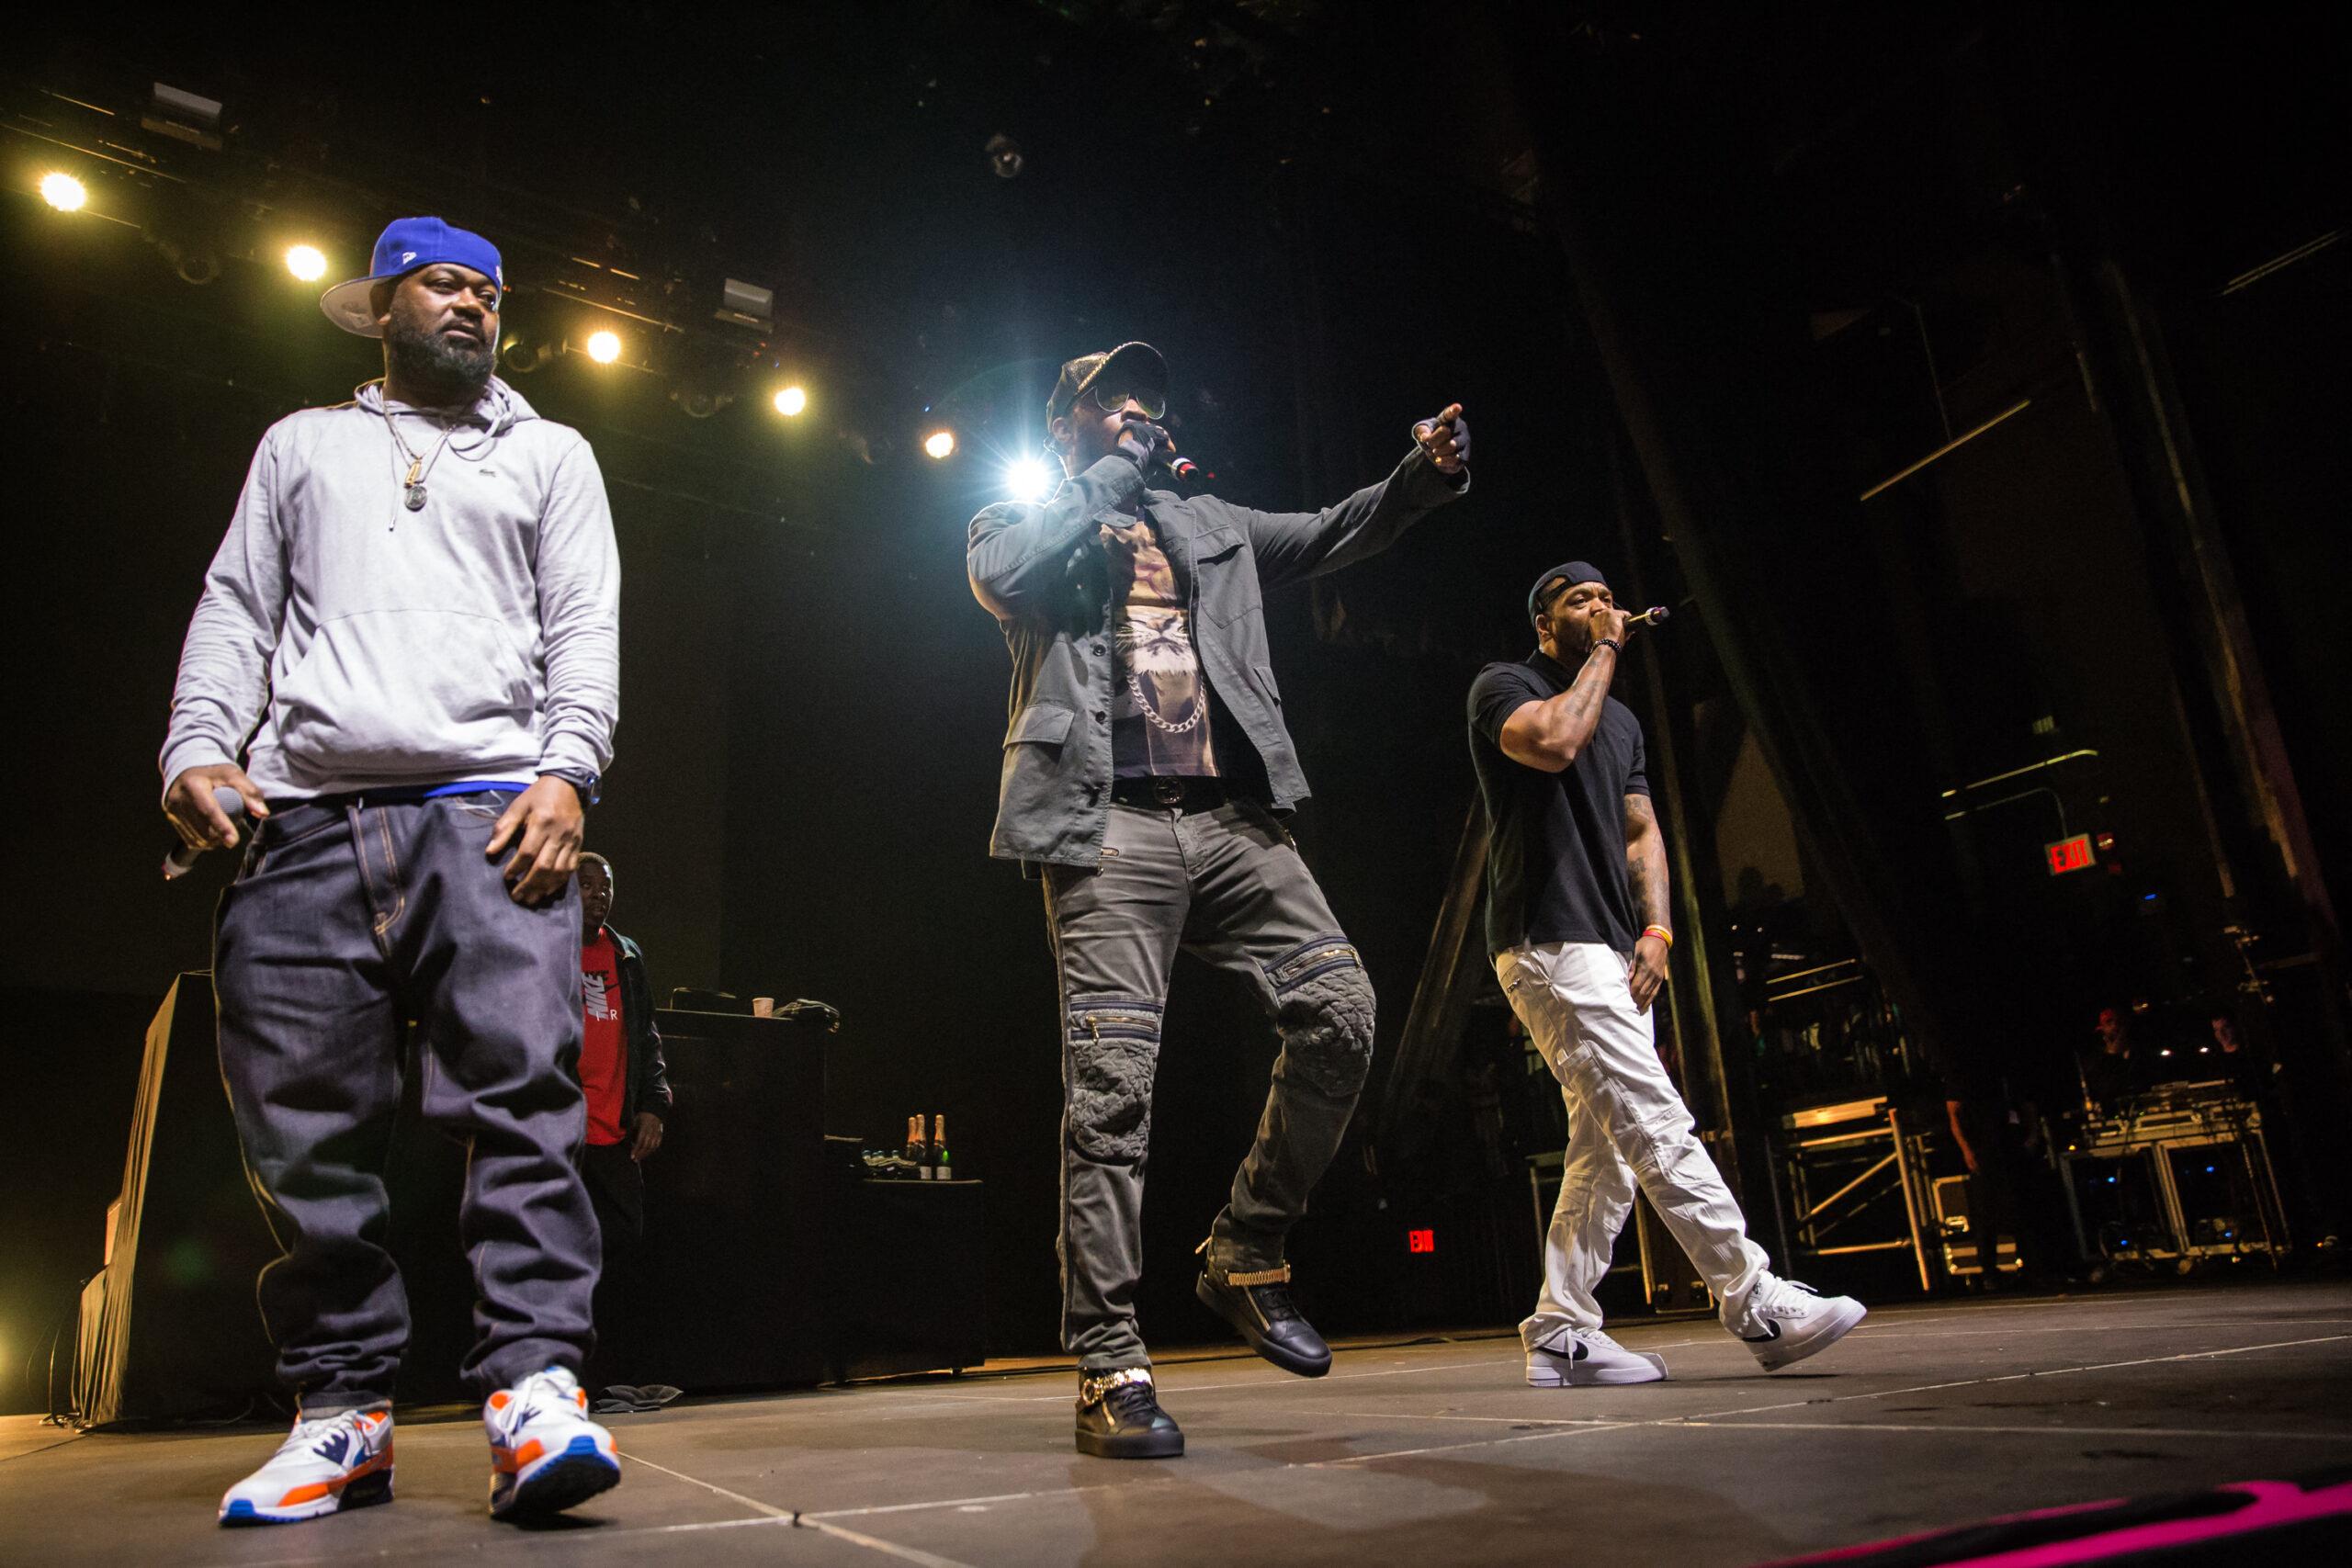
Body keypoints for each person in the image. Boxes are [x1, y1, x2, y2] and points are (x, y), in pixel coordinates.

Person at [161, 218, 624, 1526]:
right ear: (381, 306)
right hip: (305, 816)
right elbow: (238, 606)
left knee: (524, 1110)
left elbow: (584, 620)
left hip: (492, 809)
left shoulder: (552, 452)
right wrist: (197, 742)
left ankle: (534, 1393)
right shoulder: (303, 444)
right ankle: (341, 1412)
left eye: (490, 288)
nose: (474, 303)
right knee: (303, 1130)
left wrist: (569, 772)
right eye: (444, 283)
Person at [967, 341, 1470, 1458]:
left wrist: (1419, 474)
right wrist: (1105, 479)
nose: (1139, 407)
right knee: (1111, 1090)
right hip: (1109, 828)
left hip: (1234, 821)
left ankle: (1245, 1249)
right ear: (1070, 424)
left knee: (1343, 1011)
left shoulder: (1212, 524)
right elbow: (1006, 577)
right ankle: (1109, 1364)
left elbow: (1342, 527)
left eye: (1148, 394)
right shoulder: (1021, 513)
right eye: (1112, 399)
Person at [1466, 560, 1866, 1387]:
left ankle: (1562, 1327)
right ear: (1546, 623)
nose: (1603, 609)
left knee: (1606, 1144)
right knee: (1652, 1115)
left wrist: (1658, 926)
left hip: (1613, 945)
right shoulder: (1504, 686)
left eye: (1609, 599)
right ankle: (1752, 1297)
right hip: (1547, 938)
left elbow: (1642, 830)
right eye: (1581, 600)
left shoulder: (1622, 722)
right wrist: (1606, 651)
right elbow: (1553, 742)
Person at [574, 853, 673, 1397]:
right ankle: (565, 1381)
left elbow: (649, 1037)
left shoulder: (626, 954)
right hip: (561, 1136)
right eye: (585, 884)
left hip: (613, 1133)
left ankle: (602, 1376)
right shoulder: (546, 946)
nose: (598, 893)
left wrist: (654, 1105)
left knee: (622, 1240)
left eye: (605, 885)